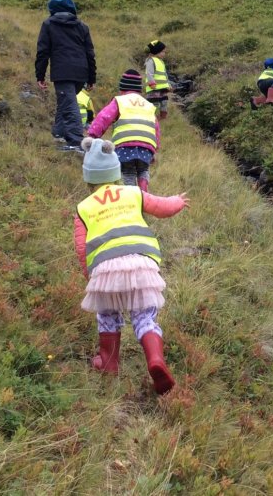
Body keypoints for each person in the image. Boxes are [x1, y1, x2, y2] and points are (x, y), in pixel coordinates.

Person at [75, 138, 189, 394]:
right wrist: (178, 202)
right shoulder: (132, 192)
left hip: (105, 269)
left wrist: (89, 274)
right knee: (144, 315)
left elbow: (82, 248)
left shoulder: (83, 208)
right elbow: (161, 207)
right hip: (140, 263)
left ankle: (108, 362)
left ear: (88, 180)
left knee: (108, 315)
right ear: (116, 173)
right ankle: (155, 359)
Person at [35, 0, 97, 150]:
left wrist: (40, 75)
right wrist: (91, 78)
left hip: (62, 72)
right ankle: (58, 134)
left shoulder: (48, 24)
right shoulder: (82, 26)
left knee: (69, 105)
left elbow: (43, 52)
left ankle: (77, 143)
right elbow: (90, 54)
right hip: (81, 72)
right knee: (65, 102)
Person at [87, 70, 160, 192]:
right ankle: (144, 193)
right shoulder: (148, 105)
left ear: (122, 89)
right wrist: (154, 150)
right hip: (146, 146)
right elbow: (156, 128)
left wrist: (93, 135)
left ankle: (131, 196)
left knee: (128, 172)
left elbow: (104, 117)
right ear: (139, 89)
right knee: (143, 170)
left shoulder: (120, 101)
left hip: (125, 145)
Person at [144, 40, 172, 121]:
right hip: (154, 88)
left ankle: (162, 118)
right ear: (157, 51)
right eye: (163, 52)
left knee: (164, 102)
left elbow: (165, 75)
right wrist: (151, 83)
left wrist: (168, 85)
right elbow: (149, 73)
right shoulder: (150, 61)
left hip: (163, 88)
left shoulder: (161, 62)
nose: (164, 54)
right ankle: (151, 119)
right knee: (154, 103)